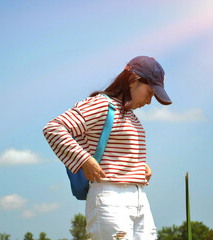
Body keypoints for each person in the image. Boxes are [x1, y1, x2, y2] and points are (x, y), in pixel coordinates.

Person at [43, 56, 172, 240]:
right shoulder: (102, 104)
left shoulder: (130, 115)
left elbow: (114, 150)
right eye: (150, 93)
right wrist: (84, 160)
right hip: (110, 197)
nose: (150, 101)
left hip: (138, 198)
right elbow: (54, 128)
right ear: (133, 80)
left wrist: (137, 166)